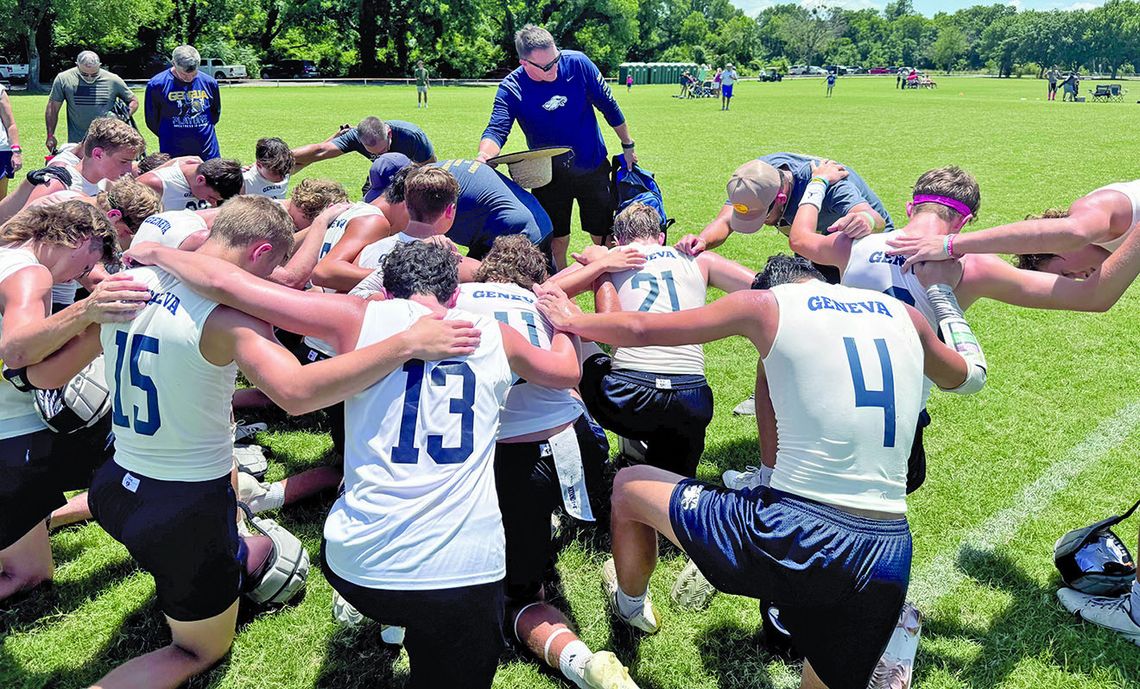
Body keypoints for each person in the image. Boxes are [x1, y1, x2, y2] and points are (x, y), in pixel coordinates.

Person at [20, 196, 479, 689]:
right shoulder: (230, 319)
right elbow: (298, 394)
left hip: (113, 486)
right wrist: (405, 344)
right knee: (199, 647)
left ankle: (186, 574)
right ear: (262, 253)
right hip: (182, 505)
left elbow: (45, 375)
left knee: (232, 543)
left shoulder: (127, 286)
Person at [534, 253, 988, 689]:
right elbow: (971, 376)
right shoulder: (905, 315)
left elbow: (639, 327)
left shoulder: (769, 303)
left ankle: (630, 604)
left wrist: (571, 318)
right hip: (888, 549)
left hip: (795, 530)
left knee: (630, 485)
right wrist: (943, 295)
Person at [448, 235, 638, 689]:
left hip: (502, 459)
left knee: (518, 593)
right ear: (537, 278)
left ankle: (573, 657)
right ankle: (570, 517)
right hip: (574, 440)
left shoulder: (455, 299)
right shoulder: (543, 298)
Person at [0, 201, 150, 603]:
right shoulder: (31, 275)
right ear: (79, 239)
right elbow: (16, 353)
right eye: (84, 267)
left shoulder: (6, 257)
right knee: (28, 575)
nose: (81, 276)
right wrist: (88, 310)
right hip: (13, 436)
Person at [568, 202, 755, 477]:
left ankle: (582, 452)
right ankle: (649, 464)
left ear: (618, 240)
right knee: (671, 488)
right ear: (661, 237)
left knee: (569, 328)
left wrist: (600, 266)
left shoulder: (617, 256)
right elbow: (762, 286)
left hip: (626, 398)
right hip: (692, 401)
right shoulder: (696, 258)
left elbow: (544, 290)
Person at [476, 24, 639, 270]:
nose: (554, 70)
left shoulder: (578, 64)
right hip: (548, 177)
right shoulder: (511, 88)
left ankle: (608, 296)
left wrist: (628, 144)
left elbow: (609, 106)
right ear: (524, 64)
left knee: (603, 237)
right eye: (545, 67)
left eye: (556, 60)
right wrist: (482, 158)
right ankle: (563, 293)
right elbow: (497, 129)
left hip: (592, 167)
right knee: (556, 241)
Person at [885, 177, 1140, 288]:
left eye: (1066, 273)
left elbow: (1073, 232)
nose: (1081, 277)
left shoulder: (1095, 207)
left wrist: (950, 245)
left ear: (1056, 247)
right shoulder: (1120, 246)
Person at [27, 117, 143, 202]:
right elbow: (17, 231)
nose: (128, 169)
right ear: (98, 154)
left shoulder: (105, 184)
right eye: (123, 161)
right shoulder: (58, 186)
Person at [46, 51, 137, 151]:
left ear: (99, 66)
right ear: (77, 65)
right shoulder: (64, 79)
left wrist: (124, 116)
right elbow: (53, 108)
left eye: (94, 74)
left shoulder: (113, 80)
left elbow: (133, 101)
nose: (89, 78)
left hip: (109, 140)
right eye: (84, 74)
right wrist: (50, 135)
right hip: (78, 141)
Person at [144, 45, 222, 160]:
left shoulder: (210, 83)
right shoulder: (157, 85)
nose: (189, 78)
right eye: (184, 75)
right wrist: (171, 134)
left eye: (193, 74)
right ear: (173, 63)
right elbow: (152, 120)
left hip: (208, 152)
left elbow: (215, 113)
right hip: (173, 153)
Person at [291, 116, 436, 172]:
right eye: (375, 154)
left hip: (411, 173)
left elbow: (431, 166)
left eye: (384, 150)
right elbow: (320, 150)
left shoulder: (412, 136)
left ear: (389, 133)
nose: (382, 156)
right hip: (381, 174)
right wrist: (279, 157)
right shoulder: (355, 136)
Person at [139, 156, 243, 211]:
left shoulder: (206, 174)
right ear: (200, 180)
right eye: (211, 197)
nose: (213, 204)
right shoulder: (155, 183)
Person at [0, 83, 21, 202]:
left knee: (1, 201)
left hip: (1, 150)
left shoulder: (0, 91)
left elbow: (10, 124)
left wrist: (16, 151)